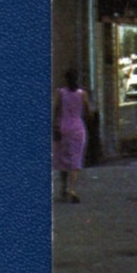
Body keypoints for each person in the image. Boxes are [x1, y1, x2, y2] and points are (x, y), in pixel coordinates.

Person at [53, 69, 91, 203]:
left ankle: (63, 187)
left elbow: (55, 111)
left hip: (63, 127)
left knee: (62, 158)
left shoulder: (60, 93)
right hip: (77, 128)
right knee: (75, 158)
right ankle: (72, 189)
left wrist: (54, 126)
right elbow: (87, 113)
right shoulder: (82, 94)